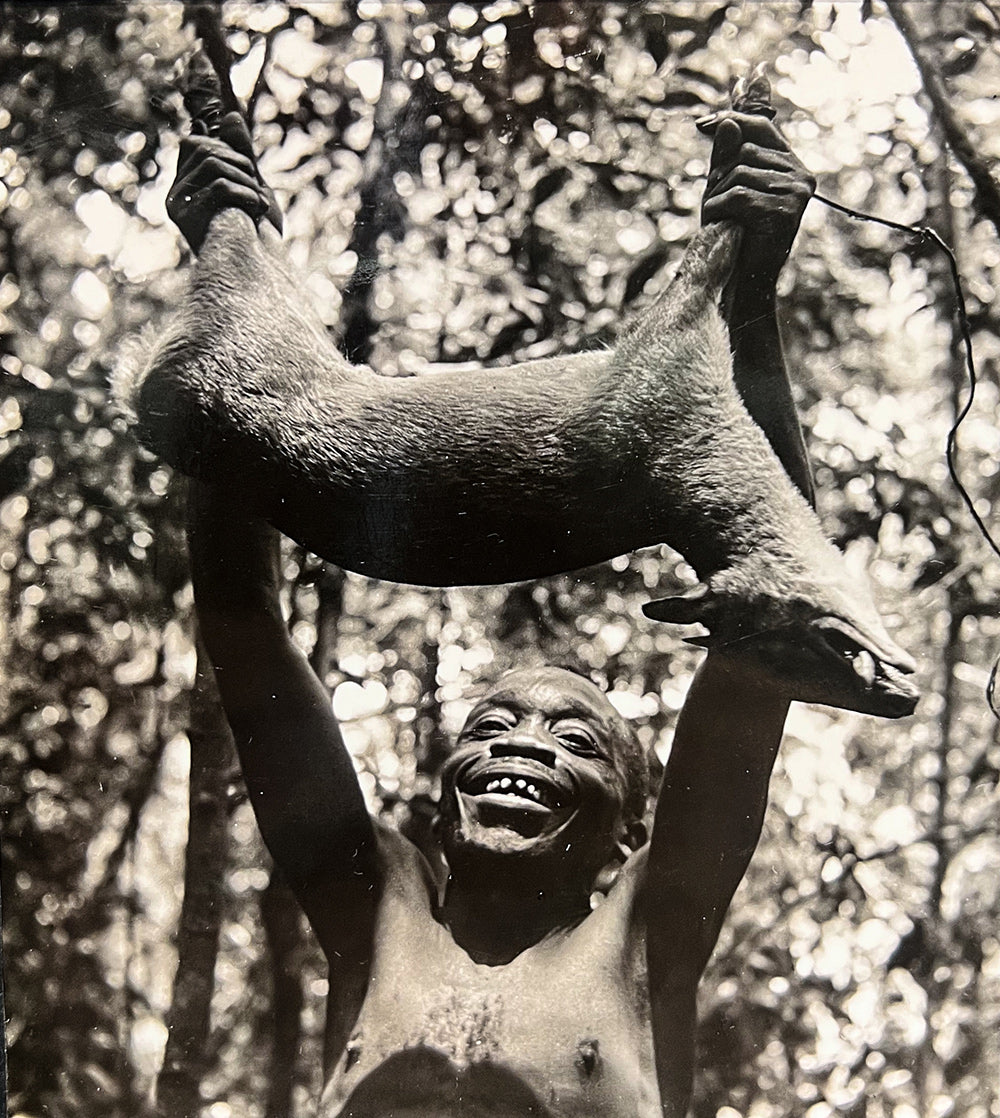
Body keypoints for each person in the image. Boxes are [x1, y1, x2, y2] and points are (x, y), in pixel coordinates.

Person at [172, 96, 817, 1117]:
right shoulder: (375, 910)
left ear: (626, 832)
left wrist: (749, 295)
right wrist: (225, 275)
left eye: (578, 738)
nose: (525, 744)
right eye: (494, 723)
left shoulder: (646, 936)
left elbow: (769, 605)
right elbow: (244, 629)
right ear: (439, 794)